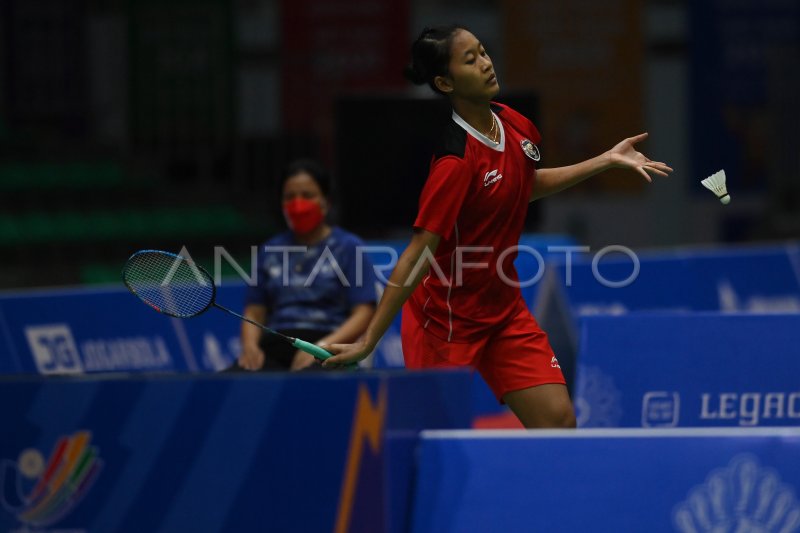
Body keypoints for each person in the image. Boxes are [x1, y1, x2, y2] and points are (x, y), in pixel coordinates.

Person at [321, 26, 672, 427]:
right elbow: (418, 253)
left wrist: (604, 160)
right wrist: (370, 339)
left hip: (503, 311)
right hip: (447, 323)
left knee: (559, 421)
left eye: (484, 52)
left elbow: (522, 186)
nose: (486, 64)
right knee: (435, 441)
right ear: (444, 82)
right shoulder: (454, 163)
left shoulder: (514, 124)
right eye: (470, 60)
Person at [231, 159, 378, 371]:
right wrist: (250, 347)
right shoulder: (269, 250)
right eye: (290, 197)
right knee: (231, 383)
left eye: (307, 195)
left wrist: (320, 347)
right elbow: (254, 311)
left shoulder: (349, 247)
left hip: (327, 345)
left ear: (325, 201)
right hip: (277, 343)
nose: (298, 204)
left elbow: (363, 312)